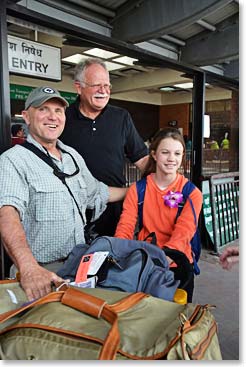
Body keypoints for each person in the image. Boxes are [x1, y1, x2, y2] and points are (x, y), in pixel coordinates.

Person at [0, 86, 127, 301]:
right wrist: (29, 268)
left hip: (79, 267)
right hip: (41, 275)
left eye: (59, 111)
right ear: (27, 117)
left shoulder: (72, 156)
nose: (53, 117)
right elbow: (7, 214)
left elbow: (98, 193)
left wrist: (136, 190)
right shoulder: (13, 160)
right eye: (43, 109)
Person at [60, 57, 148, 237]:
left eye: (107, 86)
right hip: (72, 212)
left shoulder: (121, 117)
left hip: (114, 213)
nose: (103, 91)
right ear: (79, 87)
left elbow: (143, 159)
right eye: (96, 85)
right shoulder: (63, 119)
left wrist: (168, 183)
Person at [115, 128, 203, 302]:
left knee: (176, 319)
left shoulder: (191, 193)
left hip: (177, 264)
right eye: (165, 152)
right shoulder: (138, 189)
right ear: (154, 155)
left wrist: (164, 257)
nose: (172, 159)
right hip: (145, 262)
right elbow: (125, 225)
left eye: (177, 153)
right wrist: (118, 252)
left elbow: (184, 231)